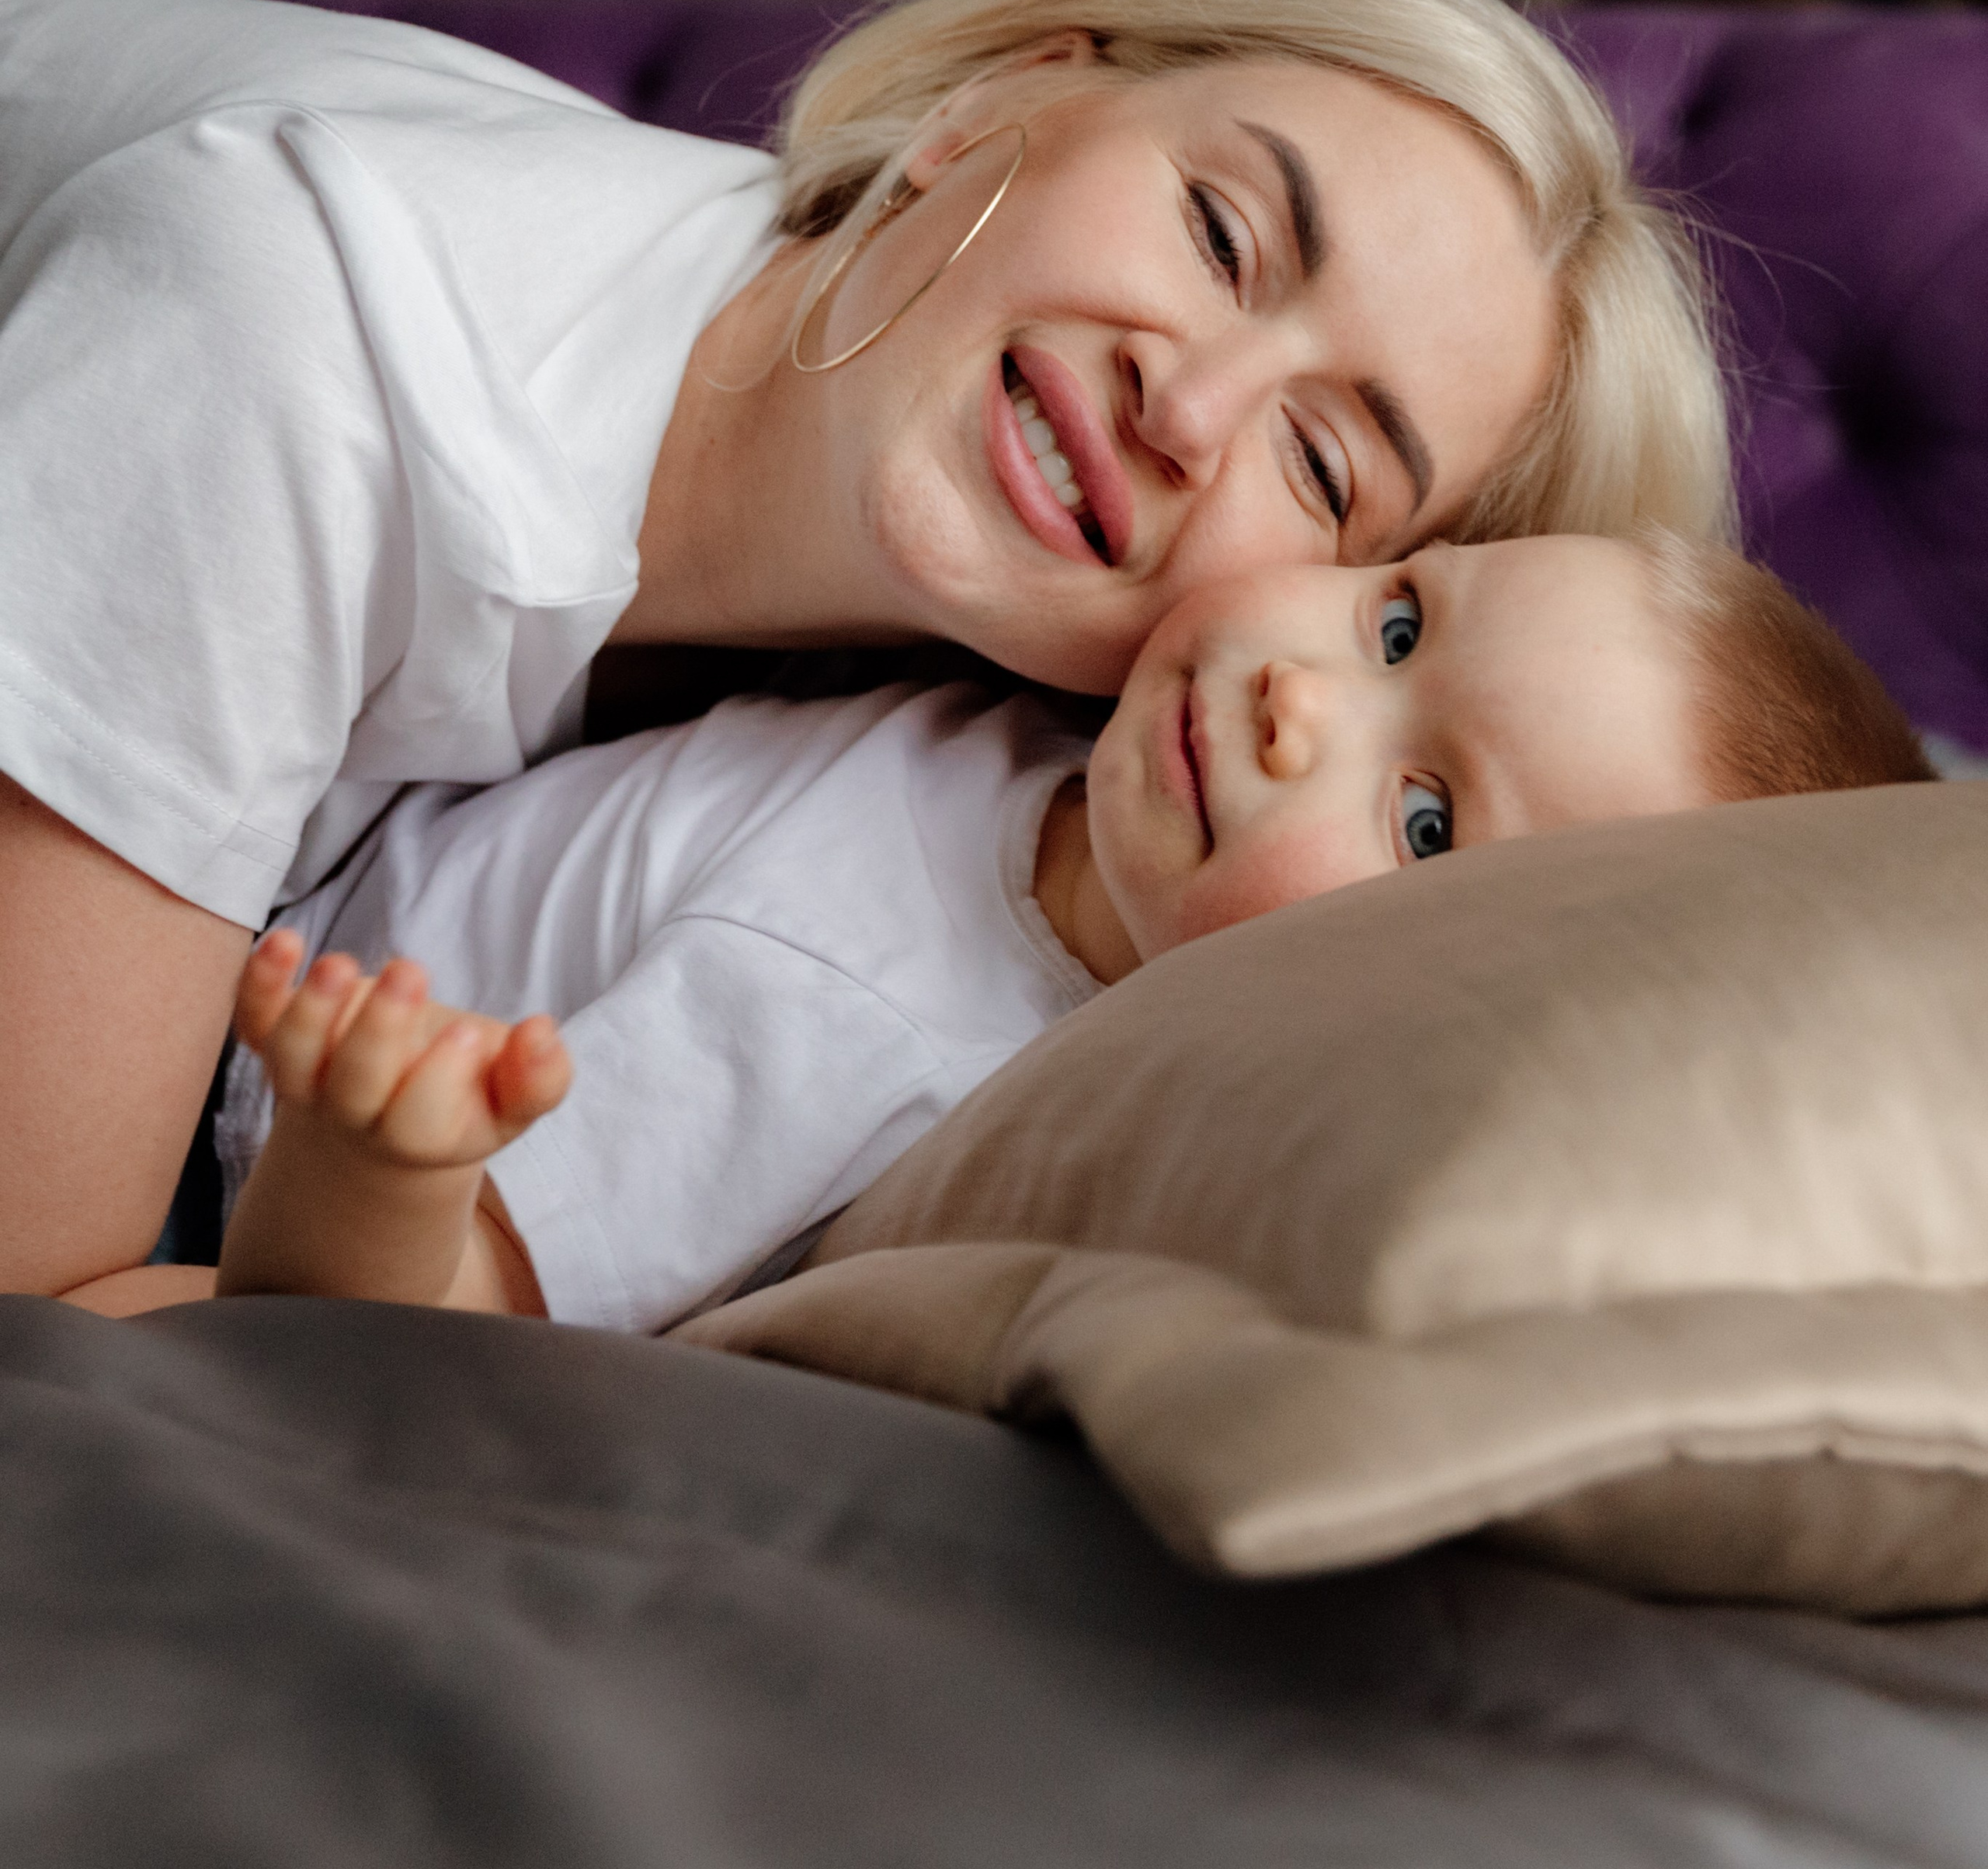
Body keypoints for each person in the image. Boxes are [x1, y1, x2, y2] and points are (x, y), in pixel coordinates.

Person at [0, 0, 1733, 1296]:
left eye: (1323, 464)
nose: (1186, 412)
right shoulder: (285, 346)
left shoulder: (1041, 764)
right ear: (991, 109)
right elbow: (49, 1328)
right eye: (1218, 232)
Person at [193, 533, 1930, 1329]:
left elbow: (424, 1313)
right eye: (1400, 623)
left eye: (1423, 823)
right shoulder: (1059, 744)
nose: (1294, 705)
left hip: (228, 1104)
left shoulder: (872, 1029)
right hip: (282, 853)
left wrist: (373, 1161)